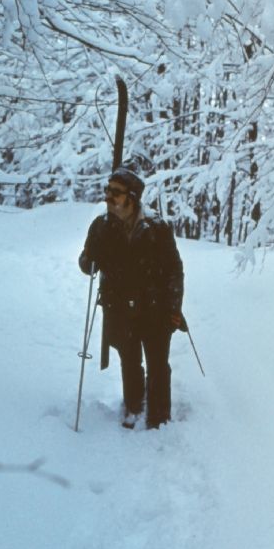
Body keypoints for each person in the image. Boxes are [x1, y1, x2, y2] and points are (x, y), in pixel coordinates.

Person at [78, 165, 185, 430]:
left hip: (155, 308)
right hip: (119, 308)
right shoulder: (101, 227)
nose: (108, 196)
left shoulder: (156, 228)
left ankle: (159, 418)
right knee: (129, 360)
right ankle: (134, 407)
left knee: (158, 364)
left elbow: (174, 270)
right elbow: (86, 263)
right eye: (107, 190)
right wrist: (90, 258)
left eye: (116, 192)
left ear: (132, 197)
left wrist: (173, 308)